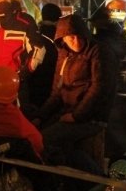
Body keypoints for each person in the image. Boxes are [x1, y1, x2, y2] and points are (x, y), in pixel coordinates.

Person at [33, 13, 119, 158]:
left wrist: (76, 116)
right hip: (68, 112)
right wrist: (40, 116)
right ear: (63, 39)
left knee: (46, 139)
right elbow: (57, 91)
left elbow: (99, 88)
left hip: (92, 118)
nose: (76, 41)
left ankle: (77, 174)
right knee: (34, 134)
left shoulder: (99, 52)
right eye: (71, 37)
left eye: (79, 36)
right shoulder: (64, 55)